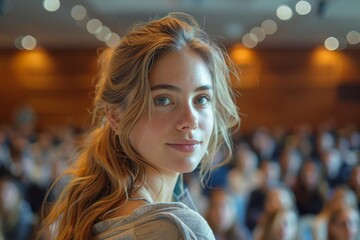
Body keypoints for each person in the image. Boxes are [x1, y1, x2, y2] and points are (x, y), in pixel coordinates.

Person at [39, 12, 240, 239]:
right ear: (116, 117)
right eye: (163, 100)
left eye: (201, 99)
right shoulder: (173, 228)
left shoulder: (99, 208)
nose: (191, 121)